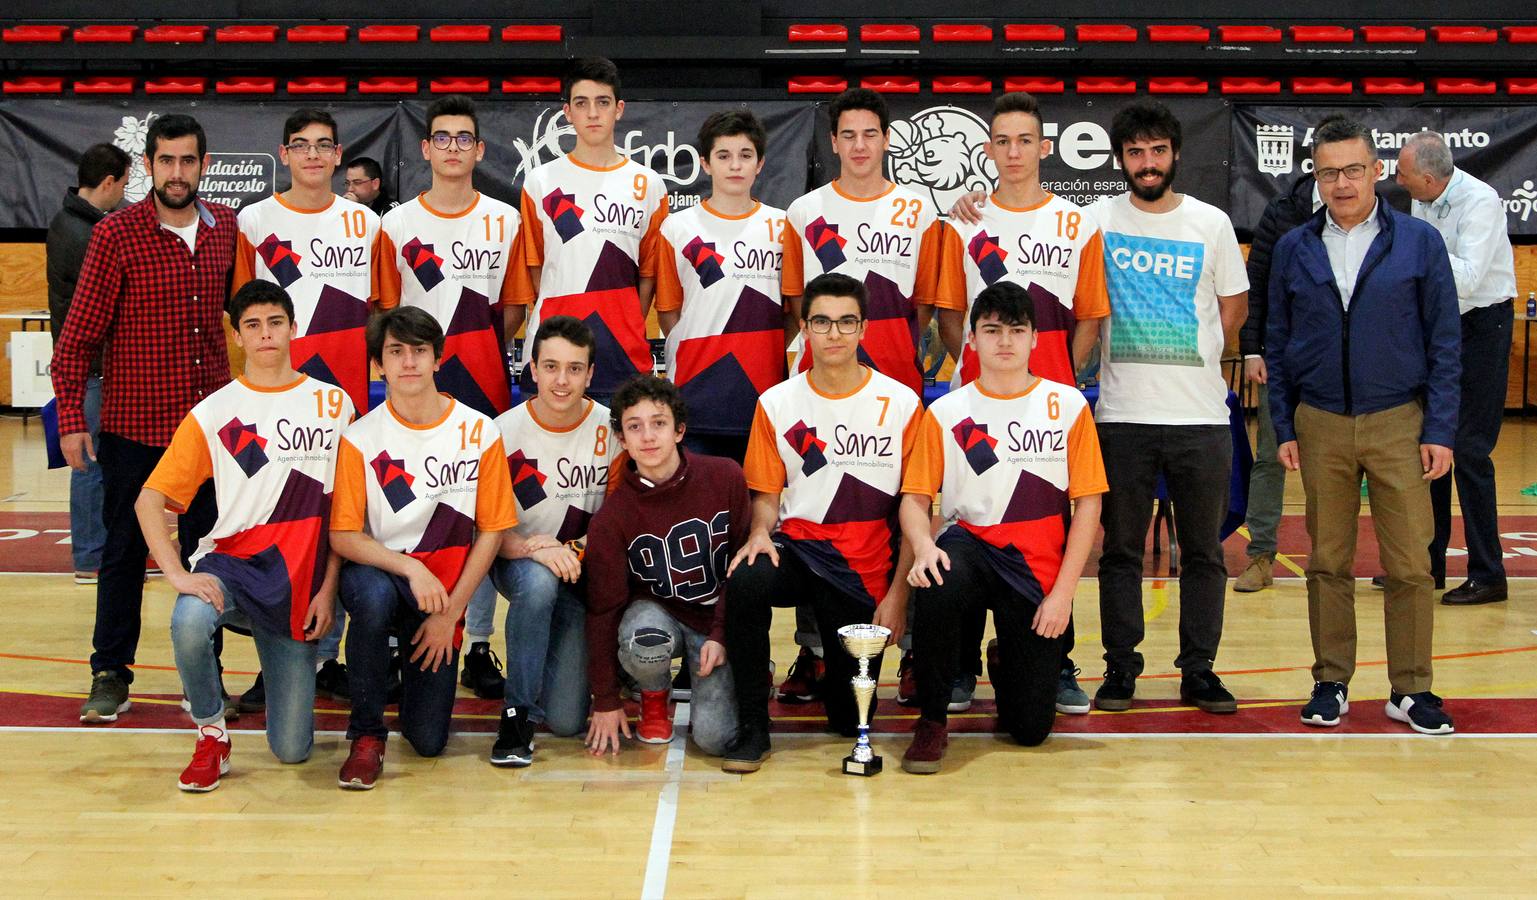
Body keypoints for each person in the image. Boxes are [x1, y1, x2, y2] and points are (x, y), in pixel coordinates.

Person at [1267, 115, 1461, 735]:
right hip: (1319, 422)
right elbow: (1277, 341)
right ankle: (1331, 681)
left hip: (1400, 421)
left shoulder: (1418, 243)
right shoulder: (1296, 247)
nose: (1343, 183)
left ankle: (1411, 688)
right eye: (1329, 172)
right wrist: (1284, 426)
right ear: (1315, 176)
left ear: (1377, 171)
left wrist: (1442, 428)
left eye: (1354, 169)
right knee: (1327, 560)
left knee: (1409, 564)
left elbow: (1446, 341)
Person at [52, 114, 238, 724]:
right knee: (124, 555)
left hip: (208, 435)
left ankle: (202, 679)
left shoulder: (226, 231)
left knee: (206, 558)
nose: (177, 172)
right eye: (165, 161)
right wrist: (73, 420)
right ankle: (110, 672)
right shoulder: (116, 235)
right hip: (135, 426)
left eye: (188, 161)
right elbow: (77, 340)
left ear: (204, 166)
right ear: (148, 166)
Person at [930, 90, 1111, 716]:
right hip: (978, 405)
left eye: (1024, 140)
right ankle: (957, 664)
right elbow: (951, 318)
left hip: (1049, 408)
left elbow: (1088, 316)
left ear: (1043, 147)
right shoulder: (964, 222)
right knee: (965, 524)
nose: (1013, 152)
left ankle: (1054, 660)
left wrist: (1062, 375)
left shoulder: (1077, 223)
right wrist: (978, 368)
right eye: (1001, 141)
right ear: (988, 150)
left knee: (1052, 533)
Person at [137, 281, 352, 791]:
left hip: (299, 583)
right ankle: (211, 732)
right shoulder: (215, 411)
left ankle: (275, 661)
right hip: (232, 565)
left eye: (275, 322)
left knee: (293, 752)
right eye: (252, 325)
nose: (265, 335)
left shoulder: (334, 404)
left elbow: (348, 514)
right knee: (190, 619)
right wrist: (177, 575)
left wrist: (328, 590)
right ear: (236, 336)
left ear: (294, 328)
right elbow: (148, 499)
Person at [777, 87, 942, 702]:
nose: (859, 145)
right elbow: (799, 306)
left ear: (886, 139)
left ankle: (913, 654)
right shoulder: (804, 212)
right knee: (813, 511)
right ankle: (815, 653)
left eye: (870, 134)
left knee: (908, 520)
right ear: (834, 142)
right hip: (818, 393)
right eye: (848, 135)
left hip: (896, 392)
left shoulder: (919, 211)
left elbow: (923, 304)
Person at [900, 281, 1106, 773]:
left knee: (1030, 730)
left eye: (1017, 330)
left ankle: (1007, 659)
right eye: (992, 330)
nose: (1005, 342)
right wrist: (924, 545)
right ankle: (931, 721)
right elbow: (914, 499)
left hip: (1035, 565)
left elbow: (1090, 507)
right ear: (971, 339)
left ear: (1036, 338)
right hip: (971, 544)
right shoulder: (948, 412)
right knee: (936, 577)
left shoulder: (1068, 406)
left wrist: (1063, 595)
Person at [721, 272, 919, 774]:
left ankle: (840, 691)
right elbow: (766, 497)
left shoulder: (902, 404)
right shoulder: (777, 403)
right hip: (800, 549)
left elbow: (917, 507)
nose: (834, 333)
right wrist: (761, 532)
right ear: (804, 329)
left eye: (846, 322)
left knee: (849, 717)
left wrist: (898, 596)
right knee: (746, 580)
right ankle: (752, 728)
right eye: (822, 322)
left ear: (864, 328)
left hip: (863, 565)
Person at [1088, 100, 1248, 714]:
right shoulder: (1094, 219)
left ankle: (1199, 671)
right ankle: (1121, 669)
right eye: (1135, 152)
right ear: (1121, 159)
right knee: (1121, 551)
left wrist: (1198, 355)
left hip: (1201, 418)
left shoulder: (1210, 223)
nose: (1147, 163)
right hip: (1123, 416)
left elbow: (1231, 310)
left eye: (1157, 151)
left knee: (1205, 553)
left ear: (1175, 155)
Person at [374, 94, 526, 698]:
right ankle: (395, 638)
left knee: (476, 514)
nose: (455, 148)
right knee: (402, 508)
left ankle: (480, 644)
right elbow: (387, 310)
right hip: (411, 388)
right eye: (444, 138)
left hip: (482, 383)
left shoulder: (505, 219)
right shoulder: (396, 224)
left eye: (465, 138)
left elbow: (513, 308)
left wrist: (477, 349)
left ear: (480, 150)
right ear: (426, 148)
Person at [231, 109, 383, 708]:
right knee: (280, 527)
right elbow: (241, 311)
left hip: (341, 407)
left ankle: (327, 658)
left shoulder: (366, 224)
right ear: (284, 153)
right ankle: (278, 657)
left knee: (336, 526)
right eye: (302, 146)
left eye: (324, 146)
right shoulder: (255, 221)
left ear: (339, 155)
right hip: (274, 404)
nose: (314, 156)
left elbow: (377, 312)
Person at [329, 306, 517, 788]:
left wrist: (450, 614)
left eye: (419, 351)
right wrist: (410, 569)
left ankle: (402, 670)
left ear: (439, 358)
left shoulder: (480, 432)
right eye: (396, 352)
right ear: (378, 365)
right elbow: (344, 535)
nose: (408, 362)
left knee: (428, 740)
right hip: (382, 576)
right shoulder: (360, 438)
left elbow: (492, 531)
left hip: (439, 601)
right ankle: (366, 736)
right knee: (370, 599)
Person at [582, 376, 750, 758]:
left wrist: (723, 634)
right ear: (622, 440)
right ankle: (653, 697)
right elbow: (603, 610)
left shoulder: (725, 476)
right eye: (634, 426)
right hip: (658, 616)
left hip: (715, 620)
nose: (648, 436)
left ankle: (744, 672)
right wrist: (605, 699)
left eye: (658, 423)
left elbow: (742, 570)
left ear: (679, 429)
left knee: (715, 740)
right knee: (646, 642)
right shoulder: (612, 518)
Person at [487, 316, 619, 767]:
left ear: (590, 374)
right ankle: (516, 714)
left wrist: (571, 549)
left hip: (583, 566)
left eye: (575, 369)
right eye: (551, 367)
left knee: (565, 721)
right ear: (533, 369)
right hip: (519, 560)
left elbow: (623, 518)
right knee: (539, 586)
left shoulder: (612, 429)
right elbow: (490, 533)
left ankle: (561, 663)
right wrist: (536, 549)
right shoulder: (500, 433)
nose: (562, 381)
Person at [1396, 131, 1516, 606]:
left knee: (1468, 450)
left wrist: (1417, 251)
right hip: (1439, 327)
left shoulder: (1481, 202)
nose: (1399, 183)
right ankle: (1429, 564)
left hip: (1484, 324)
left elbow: (1465, 278)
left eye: (1405, 176)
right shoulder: (1422, 199)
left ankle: (1489, 573)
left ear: (1428, 178)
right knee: (1432, 444)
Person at [513, 56, 669, 403]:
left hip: (622, 350)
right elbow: (536, 270)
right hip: (554, 351)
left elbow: (649, 275)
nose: (593, 113)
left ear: (620, 108)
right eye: (582, 104)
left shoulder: (649, 184)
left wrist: (623, 318)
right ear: (567, 112)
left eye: (603, 102)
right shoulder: (541, 181)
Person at [655, 109, 796, 463]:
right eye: (724, 156)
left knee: (758, 512)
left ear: (760, 164)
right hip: (695, 395)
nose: (735, 165)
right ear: (705, 164)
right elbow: (669, 311)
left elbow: (793, 310)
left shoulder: (783, 226)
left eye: (745, 156)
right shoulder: (677, 228)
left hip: (764, 395)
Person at [46, 142, 129, 586]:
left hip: (99, 368)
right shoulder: (81, 232)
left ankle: (109, 549)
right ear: (110, 181)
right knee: (89, 462)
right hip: (90, 368)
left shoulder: (80, 223)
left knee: (105, 462)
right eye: (124, 184)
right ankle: (91, 556)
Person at [1234, 172, 1319, 593]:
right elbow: (1257, 282)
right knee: (1270, 457)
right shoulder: (1283, 210)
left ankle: (1328, 560)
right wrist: (1252, 349)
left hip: (1335, 363)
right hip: (1281, 358)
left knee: (1332, 464)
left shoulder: (1371, 214)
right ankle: (1260, 556)